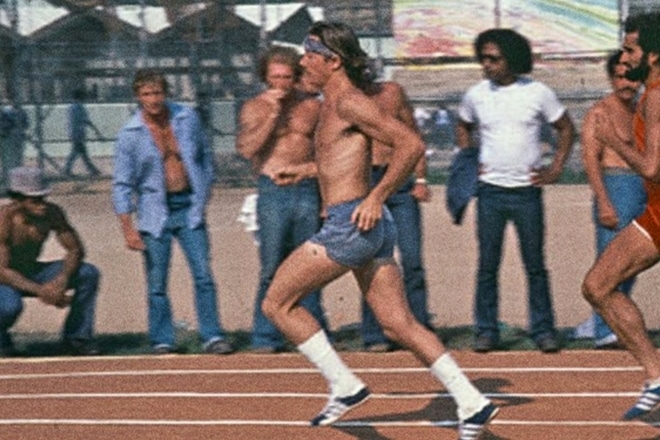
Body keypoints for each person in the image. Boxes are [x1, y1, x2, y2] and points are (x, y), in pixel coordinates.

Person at [261, 22, 497, 439]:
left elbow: (410, 145)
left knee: (277, 304)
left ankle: (344, 384)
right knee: (397, 324)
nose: (302, 62)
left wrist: (376, 197)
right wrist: (304, 171)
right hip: (366, 225)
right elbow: (345, 160)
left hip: (351, 224)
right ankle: (472, 402)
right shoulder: (333, 103)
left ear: (333, 61)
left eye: (309, 55)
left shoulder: (349, 101)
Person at [456, 28, 575, 353]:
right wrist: (469, 161)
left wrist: (555, 168)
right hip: (490, 192)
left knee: (535, 264)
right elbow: (463, 125)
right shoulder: (476, 94)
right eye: (483, 58)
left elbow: (566, 129)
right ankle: (486, 331)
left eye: (494, 58)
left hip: (527, 193)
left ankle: (543, 330)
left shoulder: (538, 92)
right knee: (487, 265)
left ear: (512, 59)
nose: (487, 64)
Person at [112, 69, 233, 355]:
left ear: (165, 93)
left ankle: (212, 335)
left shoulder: (186, 118)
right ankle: (162, 339)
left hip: (188, 207)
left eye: (157, 92)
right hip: (154, 211)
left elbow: (204, 156)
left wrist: (203, 191)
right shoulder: (130, 135)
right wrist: (128, 228)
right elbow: (122, 184)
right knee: (157, 283)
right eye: (146, 94)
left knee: (203, 274)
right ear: (138, 97)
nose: (153, 99)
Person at [582, 12, 660, 420]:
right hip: (656, 215)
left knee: (599, 285)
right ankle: (656, 375)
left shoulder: (656, 96)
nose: (624, 57)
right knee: (598, 285)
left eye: (631, 49)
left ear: (653, 53)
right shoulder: (651, 93)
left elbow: (651, 168)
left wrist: (613, 138)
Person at [236, 45, 329, 353]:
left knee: (310, 265)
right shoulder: (254, 107)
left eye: (287, 77)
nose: (281, 84)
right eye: (275, 77)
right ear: (266, 77)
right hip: (272, 190)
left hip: (307, 188)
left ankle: (312, 334)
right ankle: (265, 336)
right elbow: (247, 149)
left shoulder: (312, 107)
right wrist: (273, 113)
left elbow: (326, 152)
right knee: (271, 265)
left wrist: (323, 196)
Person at [578, 50, 645, 349]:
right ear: (611, 78)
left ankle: (614, 324)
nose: (626, 84)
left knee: (631, 262)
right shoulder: (599, 113)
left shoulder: (641, 111)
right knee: (610, 263)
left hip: (641, 187)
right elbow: (590, 160)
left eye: (631, 77)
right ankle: (604, 330)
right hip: (615, 186)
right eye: (620, 77)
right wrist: (604, 201)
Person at [360, 80, 432, 352]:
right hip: (366, 180)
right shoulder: (345, 99)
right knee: (371, 261)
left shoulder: (392, 92)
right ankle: (375, 332)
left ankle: (418, 327)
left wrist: (421, 178)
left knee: (412, 259)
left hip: (399, 179)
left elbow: (413, 135)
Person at [0, 167, 100, 356]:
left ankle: (77, 338)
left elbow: (75, 249)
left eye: (43, 198)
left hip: (31, 271)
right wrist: (42, 291)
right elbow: (2, 271)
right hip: (5, 279)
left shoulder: (53, 213)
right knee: (9, 306)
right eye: (35, 200)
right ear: (18, 200)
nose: (42, 205)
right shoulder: (4, 220)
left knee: (88, 273)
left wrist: (61, 279)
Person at [65, 88, 102, 177]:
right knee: (78, 152)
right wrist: (96, 130)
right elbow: (86, 120)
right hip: (79, 133)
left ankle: (92, 169)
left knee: (80, 152)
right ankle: (67, 169)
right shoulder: (79, 107)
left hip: (75, 132)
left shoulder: (72, 107)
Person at [0, 99, 29, 187]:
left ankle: (12, 181)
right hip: (11, 137)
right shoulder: (19, 111)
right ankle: (11, 181)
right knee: (12, 159)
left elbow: (25, 124)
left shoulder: (16, 111)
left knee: (12, 160)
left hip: (11, 137)